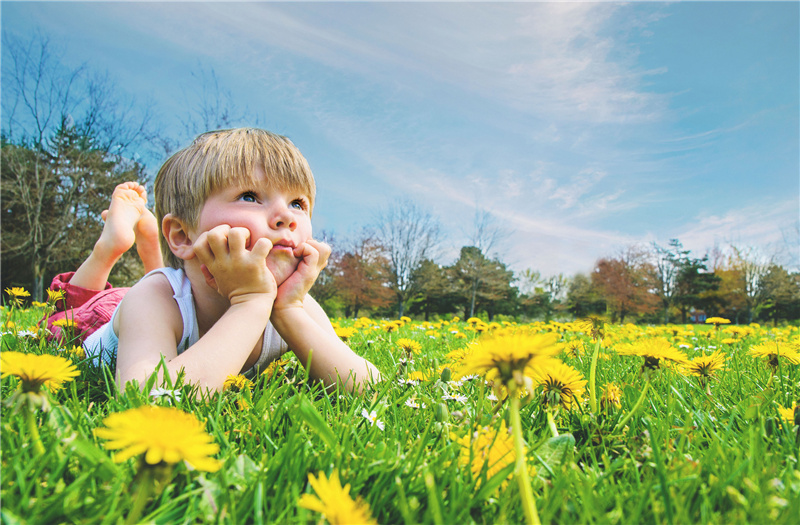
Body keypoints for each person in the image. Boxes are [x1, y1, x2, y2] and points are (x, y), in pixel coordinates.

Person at [46, 128, 380, 393]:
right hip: (106, 317)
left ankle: (149, 241)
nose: (286, 217)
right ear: (183, 235)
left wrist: (288, 312)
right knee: (71, 314)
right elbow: (144, 397)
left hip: (165, 298)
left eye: (298, 203)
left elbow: (368, 387)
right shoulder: (153, 299)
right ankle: (111, 246)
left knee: (159, 285)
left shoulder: (296, 303)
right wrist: (250, 302)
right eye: (250, 196)